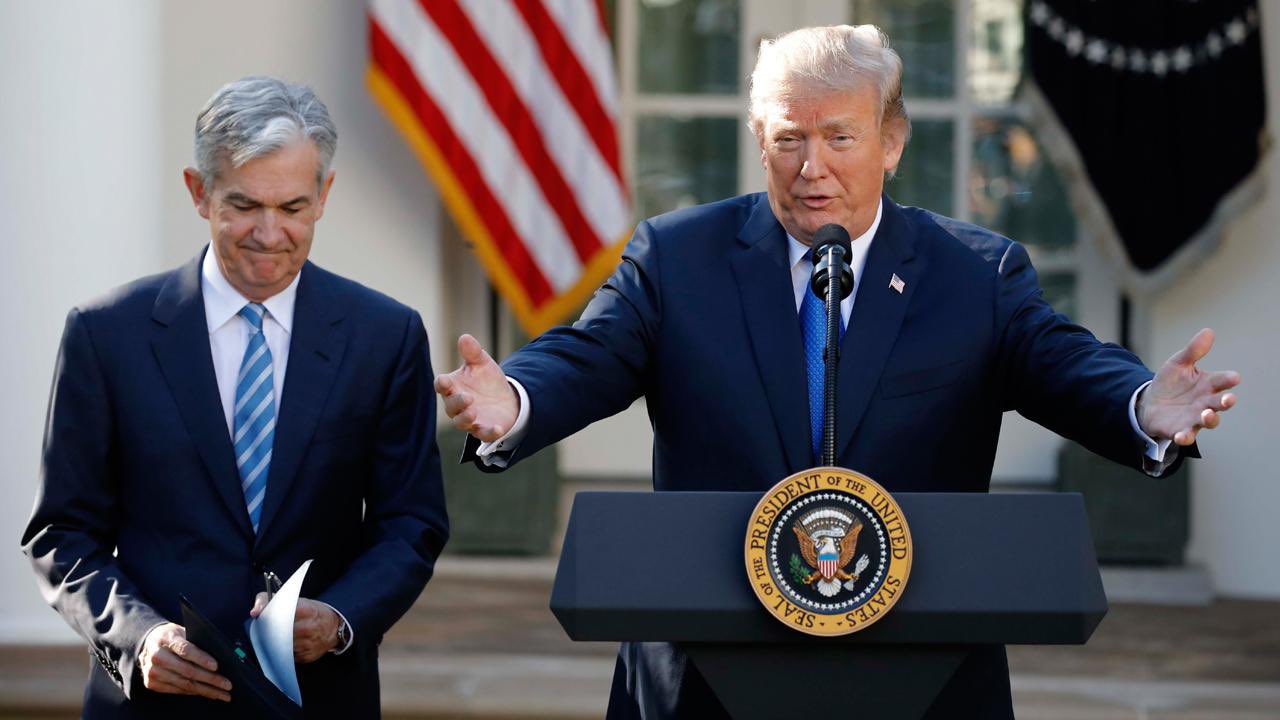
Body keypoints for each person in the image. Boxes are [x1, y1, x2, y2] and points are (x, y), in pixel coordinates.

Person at [434, 25, 1239, 719]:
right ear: (761, 142)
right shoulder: (677, 258)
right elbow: (589, 354)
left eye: (839, 139)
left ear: (892, 142)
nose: (810, 167)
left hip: (923, 670)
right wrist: (517, 396)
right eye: (789, 139)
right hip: (705, 673)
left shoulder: (975, 273)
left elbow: (1062, 361)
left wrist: (1141, 403)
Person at [22, 76, 448, 718]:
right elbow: (60, 532)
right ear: (199, 191)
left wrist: (340, 617)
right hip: (152, 705)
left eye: (293, 208)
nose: (269, 234)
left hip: (319, 700)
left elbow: (411, 524)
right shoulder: (105, 334)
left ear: (324, 195)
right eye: (245, 205)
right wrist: (138, 637)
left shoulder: (386, 337)